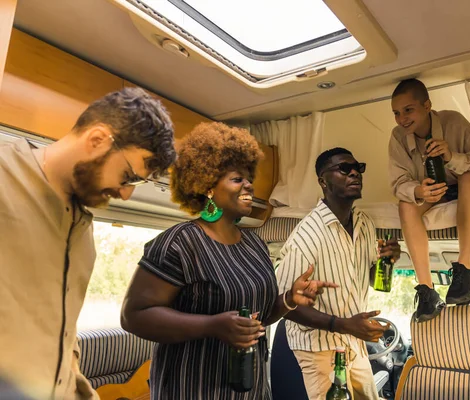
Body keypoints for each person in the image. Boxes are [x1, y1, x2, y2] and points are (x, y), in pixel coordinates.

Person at [120, 122, 337, 400]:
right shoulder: (180, 242)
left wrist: (288, 299)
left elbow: (257, 317)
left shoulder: (255, 245)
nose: (249, 184)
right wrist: (212, 325)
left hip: (251, 389)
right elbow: (133, 316)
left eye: (249, 178)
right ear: (208, 186)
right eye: (237, 179)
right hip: (192, 389)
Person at [0, 87, 177, 399]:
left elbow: (63, 340)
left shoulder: (83, 234)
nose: (126, 194)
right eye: (128, 176)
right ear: (97, 139)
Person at [276, 147, 401, 400]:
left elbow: (365, 277)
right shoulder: (307, 235)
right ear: (323, 181)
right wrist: (343, 325)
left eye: (358, 168)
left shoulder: (365, 224)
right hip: (318, 348)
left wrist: (386, 261)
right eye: (344, 169)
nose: (355, 173)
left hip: (353, 342)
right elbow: (284, 305)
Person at [388, 78, 470, 322]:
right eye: (396, 113)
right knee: (406, 204)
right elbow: (398, 183)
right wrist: (418, 191)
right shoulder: (397, 137)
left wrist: (451, 156)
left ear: (427, 106)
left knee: (469, 178)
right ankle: (427, 291)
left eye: (408, 110)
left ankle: (465, 269)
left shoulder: (453, 121)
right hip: (436, 190)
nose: (402, 118)